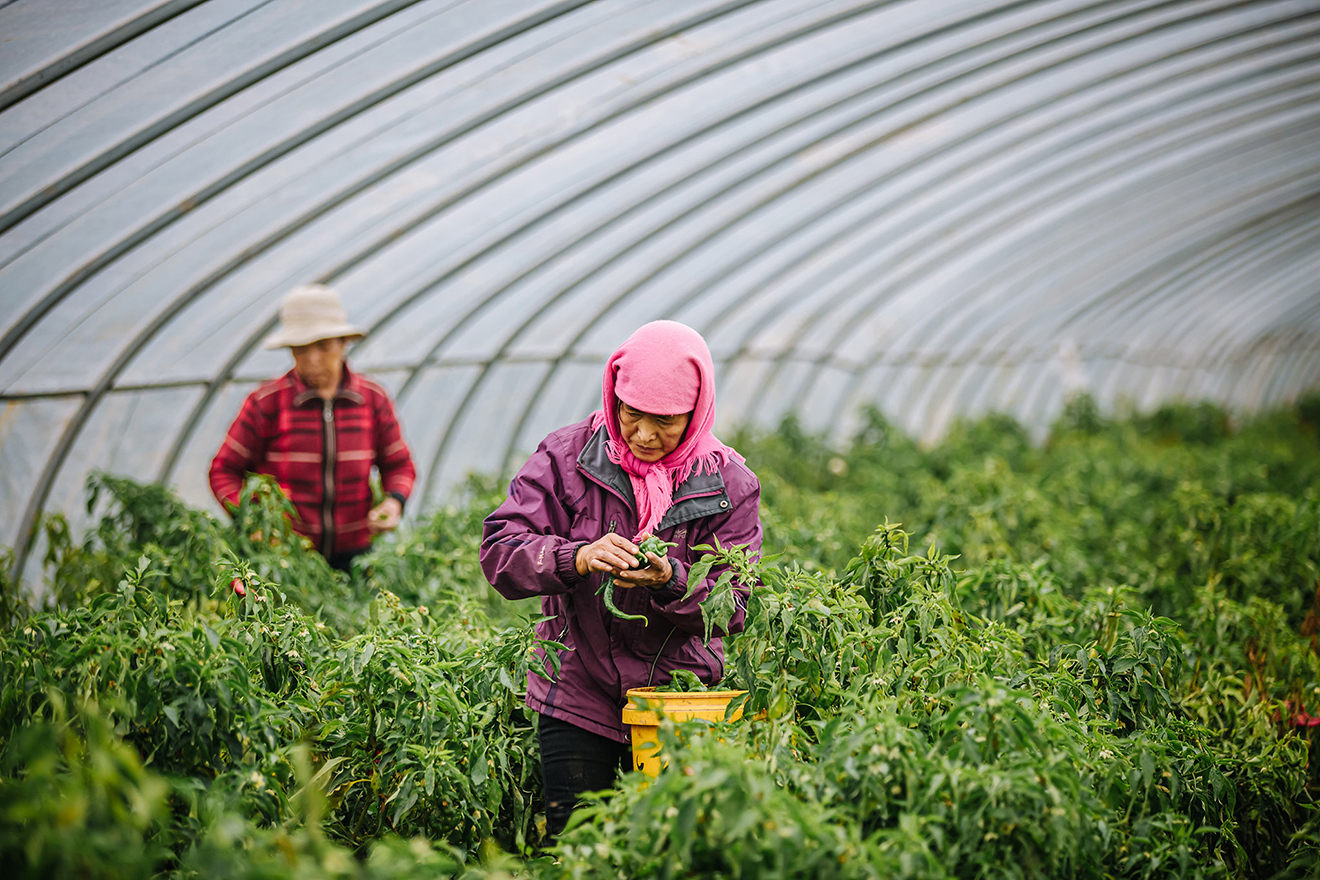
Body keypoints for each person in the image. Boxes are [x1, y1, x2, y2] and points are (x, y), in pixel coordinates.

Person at [479, 320, 762, 838]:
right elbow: (501, 551)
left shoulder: (728, 485)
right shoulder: (566, 459)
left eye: (666, 421)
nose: (644, 435)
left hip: (677, 696)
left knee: (670, 848)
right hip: (577, 687)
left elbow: (737, 602)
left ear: (696, 414)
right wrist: (577, 558)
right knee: (578, 846)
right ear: (614, 397)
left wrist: (672, 578)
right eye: (632, 414)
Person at [209, 284, 416, 571]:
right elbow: (223, 471)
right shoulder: (267, 402)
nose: (313, 358)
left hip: (356, 556)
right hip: (284, 558)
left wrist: (393, 502)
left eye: (323, 346)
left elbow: (399, 465)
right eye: (301, 349)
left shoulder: (371, 399)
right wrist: (252, 519)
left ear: (344, 342)